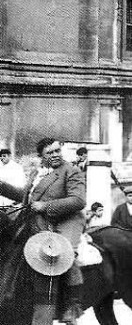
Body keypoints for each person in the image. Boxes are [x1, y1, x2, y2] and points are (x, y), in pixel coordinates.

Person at [0, 137, 86, 324]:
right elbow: (26, 196)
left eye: (57, 151)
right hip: (38, 221)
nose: (55, 155)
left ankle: (71, 304)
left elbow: (78, 200)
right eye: (50, 153)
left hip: (67, 220)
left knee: (62, 253)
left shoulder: (72, 171)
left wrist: (46, 206)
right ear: (41, 156)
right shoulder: (37, 173)